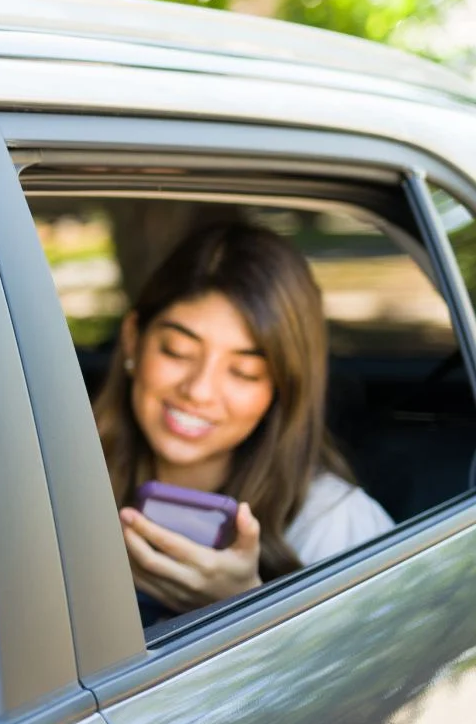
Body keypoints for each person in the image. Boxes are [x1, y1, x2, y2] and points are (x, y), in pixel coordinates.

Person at [96, 221, 393, 620]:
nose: (199, 390)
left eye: (244, 373)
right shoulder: (55, 483)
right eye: (177, 351)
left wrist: (244, 605)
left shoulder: (334, 524)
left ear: (281, 388)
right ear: (133, 339)